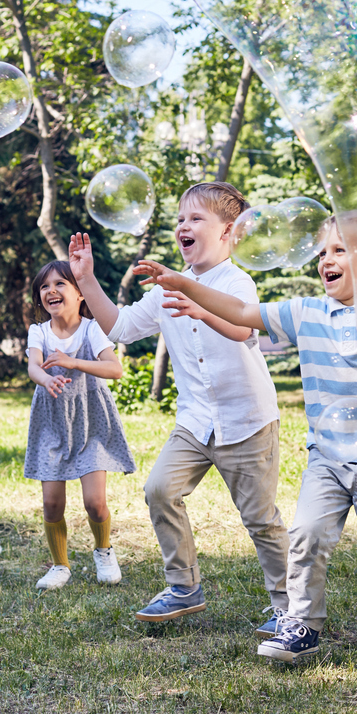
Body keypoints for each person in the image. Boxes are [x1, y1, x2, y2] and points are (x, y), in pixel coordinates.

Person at [133, 215, 357, 668]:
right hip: (329, 459)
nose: (326, 260)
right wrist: (186, 284)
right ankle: (302, 624)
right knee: (305, 536)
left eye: (339, 251)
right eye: (321, 253)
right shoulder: (305, 312)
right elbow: (239, 313)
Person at [67, 182, 289, 635]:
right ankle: (184, 586)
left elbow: (244, 331)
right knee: (159, 489)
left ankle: (289, 605)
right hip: (195, 420)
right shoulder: (167, 287)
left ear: (228, 232)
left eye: (196, 219)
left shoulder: (235, 281)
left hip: (246, 420)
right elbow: (120, 327)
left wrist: (195, 300)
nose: (183, 226)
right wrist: (86, 279)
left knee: (261, 520)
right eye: (180, 219)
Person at [24, 259, 135, 590]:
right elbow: (33, 366)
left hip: (91, 421)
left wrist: (72, 362)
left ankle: (103, 551)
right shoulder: (39, 331)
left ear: (80, 294)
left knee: (94, 502)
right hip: (52, 421)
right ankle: (60, 565)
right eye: (45, 286)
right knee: (51, 503)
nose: (51, 291)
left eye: (60, 284)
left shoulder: (92, 328)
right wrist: (45, 379)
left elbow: (115, 369)